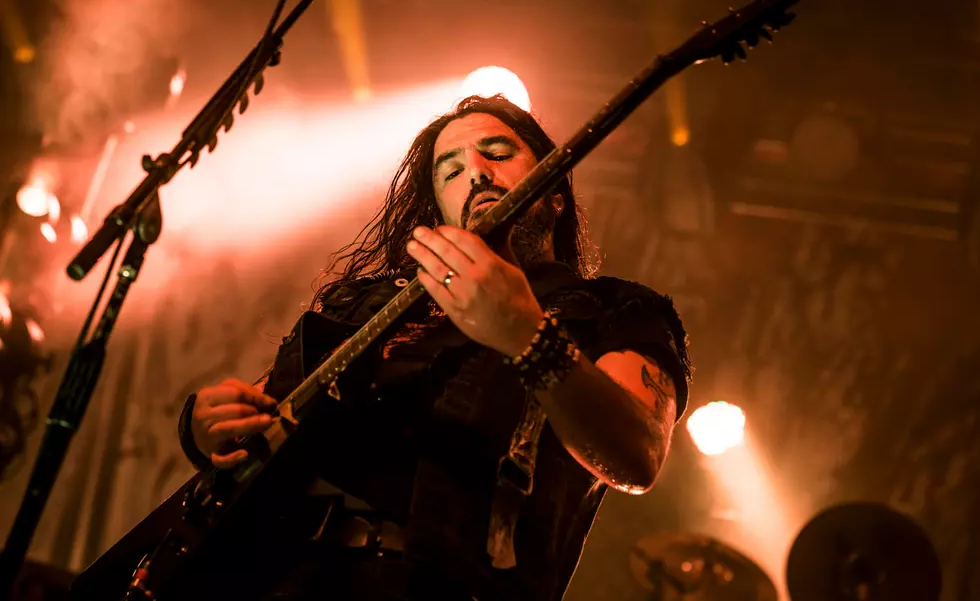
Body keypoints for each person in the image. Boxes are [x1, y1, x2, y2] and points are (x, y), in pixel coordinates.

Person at [178, 94, 692, 601]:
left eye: (497, 153)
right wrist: (207, 428)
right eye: (449, 171)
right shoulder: (362, 305)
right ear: (440, 212)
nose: (475, 173)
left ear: (556, 192)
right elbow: (262, 419)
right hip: (265, 576)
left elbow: (638, 454)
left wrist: (527, 336)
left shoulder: (614, 309)